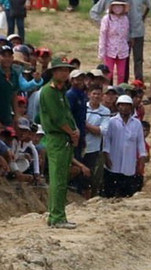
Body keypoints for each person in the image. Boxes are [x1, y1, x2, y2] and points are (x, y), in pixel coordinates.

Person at [38, 56, 79, 229]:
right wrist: (72, 132)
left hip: (65, 138)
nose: (65, 73)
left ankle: (58, 214)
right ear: (54, 72)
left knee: (62, 177)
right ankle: (56, 216)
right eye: (61, 69)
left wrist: (74, 131)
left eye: (66, 70)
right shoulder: (49, 91)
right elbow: (57, 117)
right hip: (57, 137)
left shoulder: (61, 90)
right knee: (58, 178)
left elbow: (67, 115)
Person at [102, 94, 146, 197]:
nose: (124, 108)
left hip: (129, 164)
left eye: (127, 105)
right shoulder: (112, 122)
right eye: (122, 105)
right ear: (118, 107)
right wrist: (106, 156)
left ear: (131, 107)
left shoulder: (136, 123)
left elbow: (140, 141)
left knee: (127, 194)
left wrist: (142, 158)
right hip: (114, 163)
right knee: (110, 193)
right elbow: (107, 140)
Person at [82, 85, 111, 197]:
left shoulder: (105, 111)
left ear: (102, 96)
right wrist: (93, 128)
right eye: (94, 93)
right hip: (80, 145)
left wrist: (86, 125)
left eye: (99, 94)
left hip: (93, 147)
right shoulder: (83, 107)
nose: (96, 96)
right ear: (89, 94)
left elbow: (102, 130)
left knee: (90, 175)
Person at [99, 0, 130, 85]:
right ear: (111, 7)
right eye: (115, 6)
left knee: (121, 74)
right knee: (108, 73)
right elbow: (103, 36)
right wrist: (102, 52)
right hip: (110, 50)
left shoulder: (125, 19)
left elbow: (126, 34)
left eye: (120, 6)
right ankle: (106, 91)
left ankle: (119, 92)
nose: (117, 8)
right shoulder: (107, 19)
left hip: (122, 50)